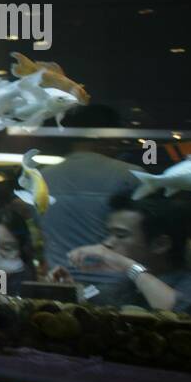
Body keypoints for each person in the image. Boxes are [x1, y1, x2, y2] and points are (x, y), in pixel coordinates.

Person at [39, 105, 142, 287]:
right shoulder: (131, 175)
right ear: (105, 135)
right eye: (117, 138)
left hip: (60, 282)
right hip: (118, 285)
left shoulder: (42, 177)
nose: (118, 145)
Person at [63, 191, 191, 315]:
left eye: (121, 235)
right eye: (109, 234)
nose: (107, 243)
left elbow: (179, 313)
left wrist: (129, 266)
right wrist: (66, 288)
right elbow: (92, 298)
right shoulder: (126, 285)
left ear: (160, 244)